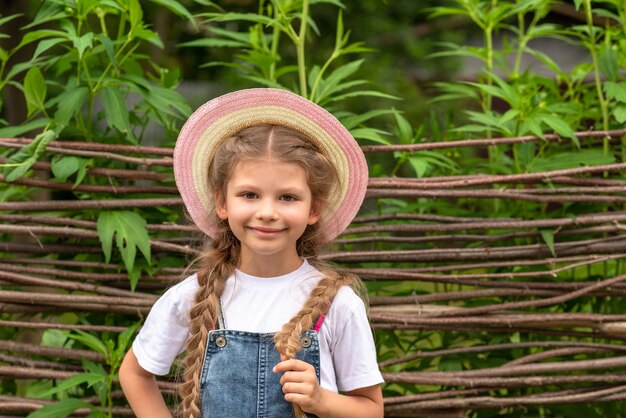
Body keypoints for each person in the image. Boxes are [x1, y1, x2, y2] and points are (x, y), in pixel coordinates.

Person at [119, 88, 384, 418]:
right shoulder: (194, 296)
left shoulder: (337, 304)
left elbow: (371, 409)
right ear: (222, 203)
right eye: (249, 194)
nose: (267, 212)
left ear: (314, 208)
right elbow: (134, 373)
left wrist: (321, 400)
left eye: (287, 197)